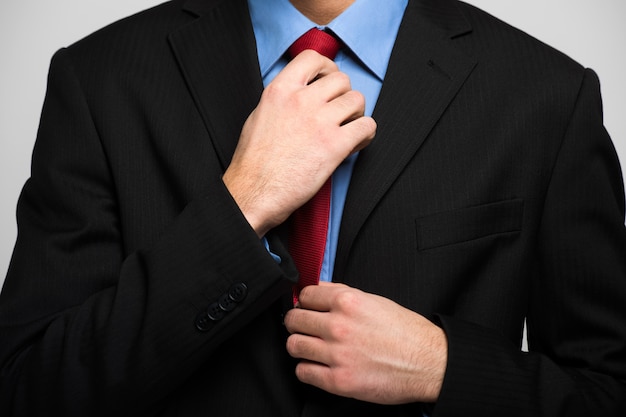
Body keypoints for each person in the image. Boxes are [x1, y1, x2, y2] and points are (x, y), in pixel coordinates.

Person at [1, 0, 625, 415]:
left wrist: (443, 368)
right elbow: (27, 388)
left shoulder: (547, 95)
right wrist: (241, 204)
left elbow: (607, 391)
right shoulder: (100, 79)